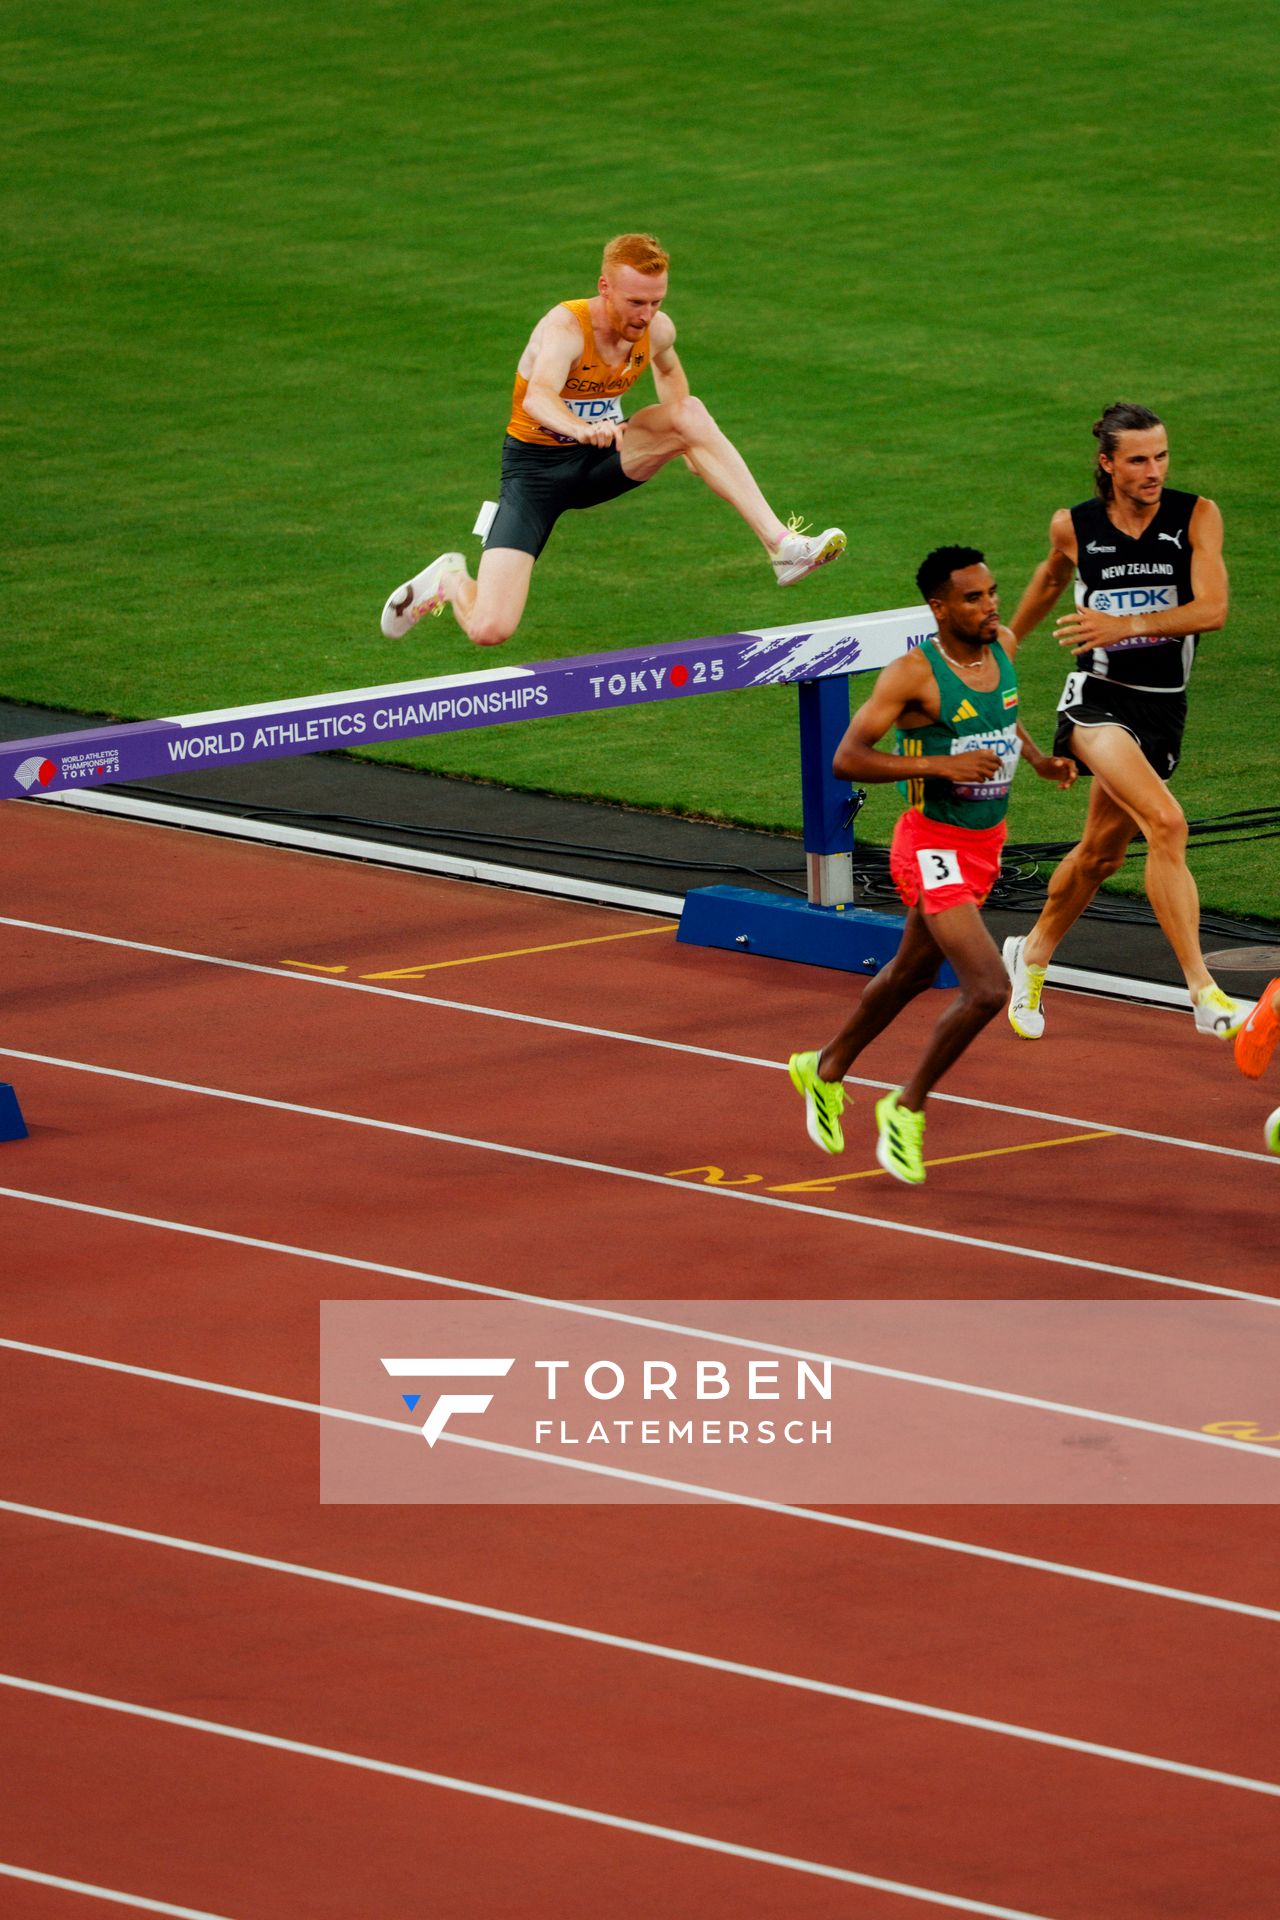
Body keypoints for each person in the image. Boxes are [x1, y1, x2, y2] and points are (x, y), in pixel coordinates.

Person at [380, 233, 845, 647]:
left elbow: (669, 371)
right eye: (635, 303)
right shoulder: (565, 328)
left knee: (692, 414)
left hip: (607, 458)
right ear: (605, 288)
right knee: (490, 629)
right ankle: (449, 577)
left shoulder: (656, 330)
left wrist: (690, 443)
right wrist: (580, 428)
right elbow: (538, 398)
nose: (645, 316)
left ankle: (781, 546)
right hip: (535, 475)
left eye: (655, 302)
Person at [788, 547, 1076, 1184]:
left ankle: (826, 1066)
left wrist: (1036, 760)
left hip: (984, 845)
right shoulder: (910, 676)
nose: (991, 606)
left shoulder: (1000, 646)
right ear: (938, 608)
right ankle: (907, 1106)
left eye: (993, 592)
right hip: (930, 843)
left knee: (909, 975)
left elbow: (1004, 713)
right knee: (988, 990)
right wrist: (937, 765)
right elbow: (847, 758)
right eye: (973, 599)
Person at [1000, 401, 1242, 1042]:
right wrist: (1006, 645)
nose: (1154, 470)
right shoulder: (1073, 526)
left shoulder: (1196, 516)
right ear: (1108, 464)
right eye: (1138, 459)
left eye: (1161, 455)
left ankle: (1031, 953)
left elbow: (1212, 609)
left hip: (1164, 706)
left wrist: (1126, 623)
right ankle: (1204, 994)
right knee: (1166, 822)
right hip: (1096, 700)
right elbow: (1052, 578)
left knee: (1101, 855)